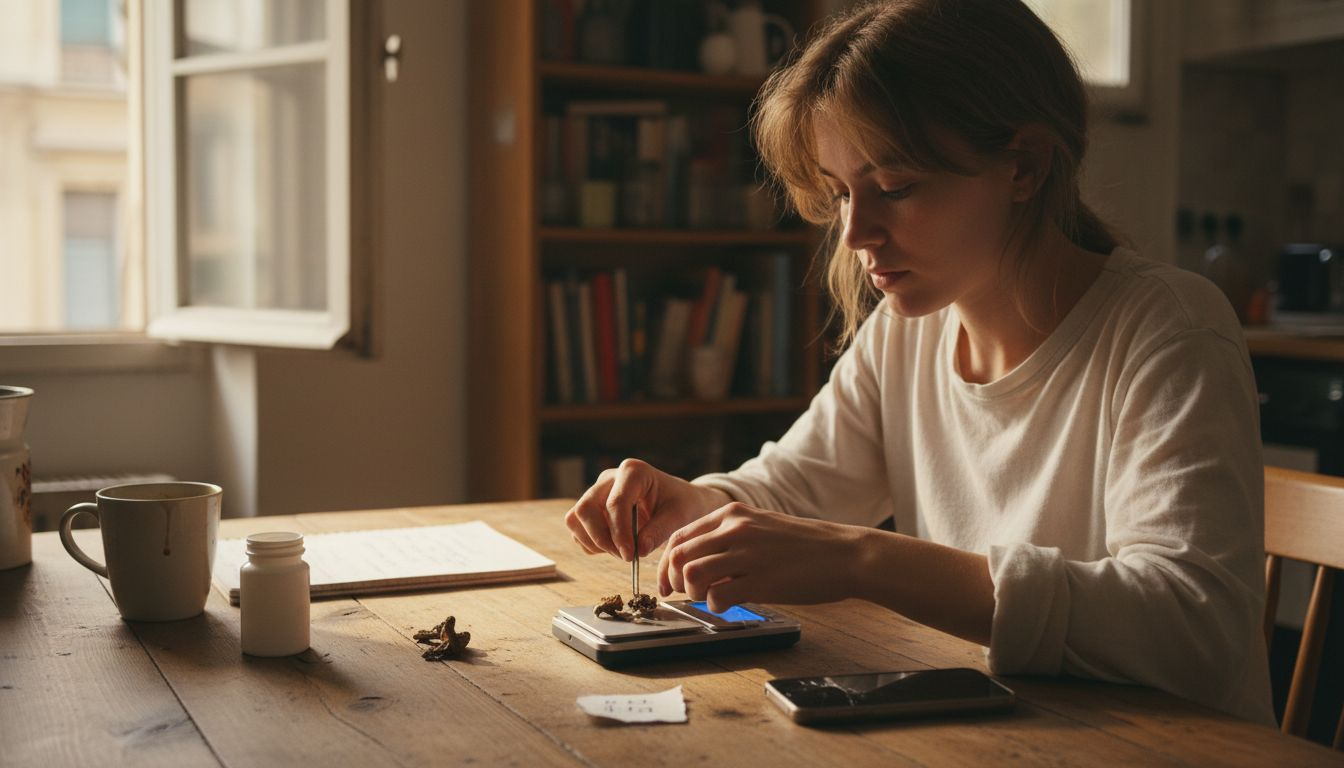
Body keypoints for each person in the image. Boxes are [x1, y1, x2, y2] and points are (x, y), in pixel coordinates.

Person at [564, 0, 1273, 725]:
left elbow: (1193, 628)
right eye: (840, 193)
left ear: (1023, 165)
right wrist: (697, 506)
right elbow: (799, 491)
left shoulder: (1168, 329)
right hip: (1008, 735)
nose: (854, 232)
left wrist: (867, 561)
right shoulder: (911, 333)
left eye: (895, 188)